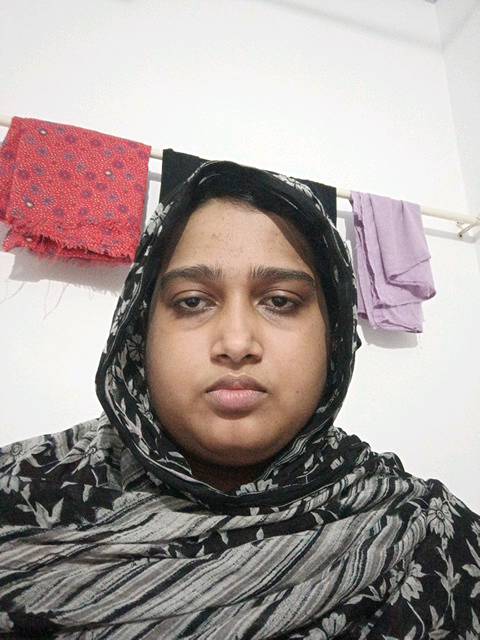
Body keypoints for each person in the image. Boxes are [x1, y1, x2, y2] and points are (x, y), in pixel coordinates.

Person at [0, 160, 479, 639]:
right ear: (140, 328)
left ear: (333, 337)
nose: (235, 342)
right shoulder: (20, 490)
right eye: (192, 301)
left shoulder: (432, 536)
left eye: (280, 301)